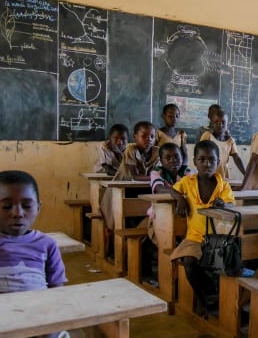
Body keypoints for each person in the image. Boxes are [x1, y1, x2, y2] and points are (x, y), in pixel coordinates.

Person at [0, 170, 84, 338]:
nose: (18, 213)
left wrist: (50, 337)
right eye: (7, 206)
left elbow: (58, 295)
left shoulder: (47, 244)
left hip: (43, 326)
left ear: (38, 207)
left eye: (26, 206)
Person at [170, 140, 235, 311]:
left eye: (212, 160)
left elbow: (230, 204)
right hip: (195, 237)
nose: (207, 164)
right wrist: (180, 199)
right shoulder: (188, 181)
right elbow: (173, 189)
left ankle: (215, 297)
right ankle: (204, 299)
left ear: (218, 161)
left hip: (217, 239)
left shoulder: (223, 185)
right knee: (189, 262)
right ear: (195, 162)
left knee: (221, 263)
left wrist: (223, 205)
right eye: (202, 160)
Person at [101, 121, 159, 236]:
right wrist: (155, 178)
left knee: (147, 211)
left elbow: (159, 171)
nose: (149, 139)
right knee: (119, 218)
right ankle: (118, 242)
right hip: (122, 189)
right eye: (144, 136)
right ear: (135, 137)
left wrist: (156, 177)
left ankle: (140, 237)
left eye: (152, 136)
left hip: (143, 189)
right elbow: (134, 176)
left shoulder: (157, 152)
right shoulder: (130, 150)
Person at [199, 109, 246, 178]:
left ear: (227, 124)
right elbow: (199, 154)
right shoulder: (208, 136)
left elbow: (237, 158)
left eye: (223, 122)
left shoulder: (230, 141)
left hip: (223, 174)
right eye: (216, 122)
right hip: (208, 173)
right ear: (212, 124)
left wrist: (246, 174)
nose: (220, 125)